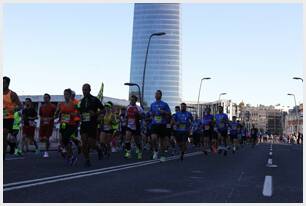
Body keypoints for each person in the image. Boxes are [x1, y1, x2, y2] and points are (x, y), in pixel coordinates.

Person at [78, 83, 104, 167]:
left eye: (85, 89)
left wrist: (96, 114)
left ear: (90, 90)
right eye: (83, 89)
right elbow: (78, 112)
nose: (84, 91)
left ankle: (98, 149)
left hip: (92, 124)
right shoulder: (81, 101)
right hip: (84, 124)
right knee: (84, 143)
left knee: (92, 144)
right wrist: (79, 116)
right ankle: (87, 160)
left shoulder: (94, 99)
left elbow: (103, 110)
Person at [55, 89, 78, 165]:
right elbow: (58, 113)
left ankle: (66, 152)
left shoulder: (74, 104)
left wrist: (72, 115)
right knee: (65, 140)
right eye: (64, 94)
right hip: (63, 124)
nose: (65, 96)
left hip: (71, 124)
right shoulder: (61, 104)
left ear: (70, 95)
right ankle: (71, 156)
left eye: (67, 94)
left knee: (65, 139)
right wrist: (57, 115)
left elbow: (78, 115)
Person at [3, 76, 22, 160]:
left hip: (8, 118)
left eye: (3, 83)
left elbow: (20, 106)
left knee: (3, 135)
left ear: (7, 84)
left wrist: (14, 109)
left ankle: (2, 156)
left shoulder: (12, 94)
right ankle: (11, 144)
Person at [149, 90, 171, 162]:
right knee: (153, 138)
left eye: (158, 94)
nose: (156, 95)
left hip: (162, 124)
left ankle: (162, 155)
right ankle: (155, 151)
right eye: (155, 94)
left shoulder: (165, 104)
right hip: (154, 124)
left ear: (161, 95)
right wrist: (151, 116)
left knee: (162, 142)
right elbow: (150, 113)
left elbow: (169, 113)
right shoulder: (152, 104)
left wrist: (164, 112)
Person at [124, 95, 144, 159]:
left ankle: (140, 152)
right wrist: (126, 125)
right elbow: (126, 117)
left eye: (133, 100)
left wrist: (138, 114)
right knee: (127, 139)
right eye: (131, 100)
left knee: (137, 141)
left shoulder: (139, 108)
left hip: (136, 126)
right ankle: (128, 152)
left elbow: (143, 117)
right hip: (129, 126)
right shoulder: (128, 107)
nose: (131, 101)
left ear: (135, 100)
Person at [39, 93, 56, 158]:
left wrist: (51, 118)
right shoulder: (41, 106)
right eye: (44, 97)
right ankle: (48, 143)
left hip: (50, 124)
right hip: (42, 124)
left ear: (49, 98)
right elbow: (40, 115)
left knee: (46, 138)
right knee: (41, 139)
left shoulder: (53, 106)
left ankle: (46, 152)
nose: (45, 99)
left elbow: (56, 115)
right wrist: (42, 119)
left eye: (46, 97)